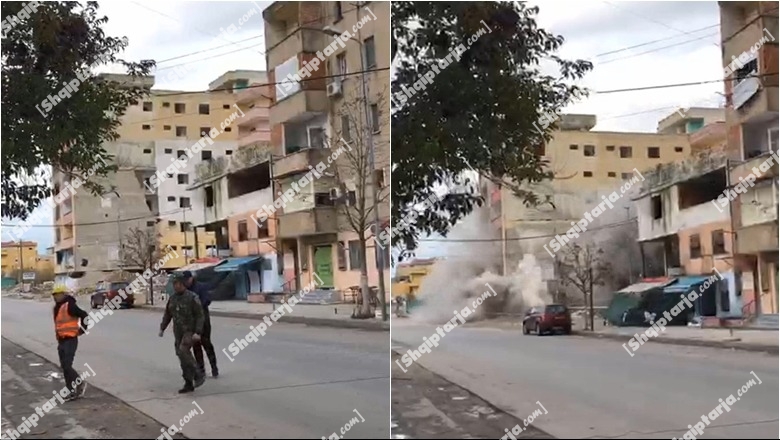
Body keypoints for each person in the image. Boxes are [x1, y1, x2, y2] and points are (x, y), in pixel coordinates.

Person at [159, 274, 205, 393]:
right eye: (174, 284)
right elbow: (168, 314)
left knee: (183, 350)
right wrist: (162, 328)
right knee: (181, 356)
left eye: (178, 284)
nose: (176, 286)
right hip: (178, 332)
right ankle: (188, 383)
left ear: (183, 284)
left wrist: (198, 332)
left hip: (189, 330)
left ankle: (198, 373)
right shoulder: (173, 298)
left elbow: (200, 315)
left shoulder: (192, 297)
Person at [52, 285, 89, 402]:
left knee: (67, 365)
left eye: (58, 295)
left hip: (71, 339)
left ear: (63, 294)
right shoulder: (57, 307)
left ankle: (79, 384)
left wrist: (83, 329)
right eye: (54, 295)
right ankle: (70, 389)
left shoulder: (70, 305)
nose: (56, 297)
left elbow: (84, 315)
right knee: (64, 367)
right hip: (62, 340)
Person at [184, 270, 218, 378]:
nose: (186, 282)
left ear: (191, 278)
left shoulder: (200, 287)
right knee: (196, 346)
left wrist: (197, 306)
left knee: (206, 343)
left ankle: (214, 367)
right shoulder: (185, 290)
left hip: (203, 320)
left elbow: (207, 300)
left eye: (187, 280)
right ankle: (201, 369)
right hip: (192, 322)